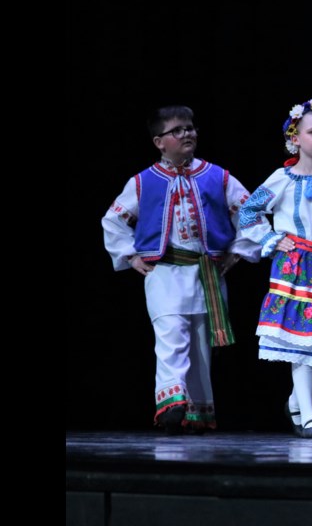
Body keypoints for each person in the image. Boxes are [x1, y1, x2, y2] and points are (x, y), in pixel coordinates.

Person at [102, 105, 251, 435]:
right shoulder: (143, 182)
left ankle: (197, 413)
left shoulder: (217, 176)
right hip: (165, 273)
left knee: (200, 346)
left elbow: (249, 211)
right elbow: (114, 220)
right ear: (159, 141)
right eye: (178, 130)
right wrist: (131, 256)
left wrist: (237, 251)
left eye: (190, 128)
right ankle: (171, 405)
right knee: (171, 338)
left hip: (206, 274)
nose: (188, 134)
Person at [233, 100, 312, 438]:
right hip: (295, 266)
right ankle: (309, 418)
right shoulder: (282, 179)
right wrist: (272, 239)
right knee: (302, 343)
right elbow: (249, 212)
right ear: (296, 137)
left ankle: (295, 401)